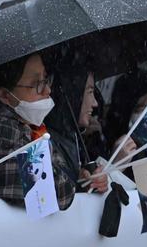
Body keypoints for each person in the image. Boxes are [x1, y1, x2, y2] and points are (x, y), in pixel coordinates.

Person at [0, 52, 76, 210]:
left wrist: (81, 177)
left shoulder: (26, 124)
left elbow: (64, 175)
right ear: (4, 95)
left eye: (45, 79)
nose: (47, 90)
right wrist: (71, 179)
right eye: (37, 83)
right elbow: (58, 194)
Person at [45, 63, 109, 193]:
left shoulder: (73, 137)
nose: (95, 103)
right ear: (73, 94)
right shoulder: (46, 143)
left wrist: (86, 182)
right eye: (90, 91)